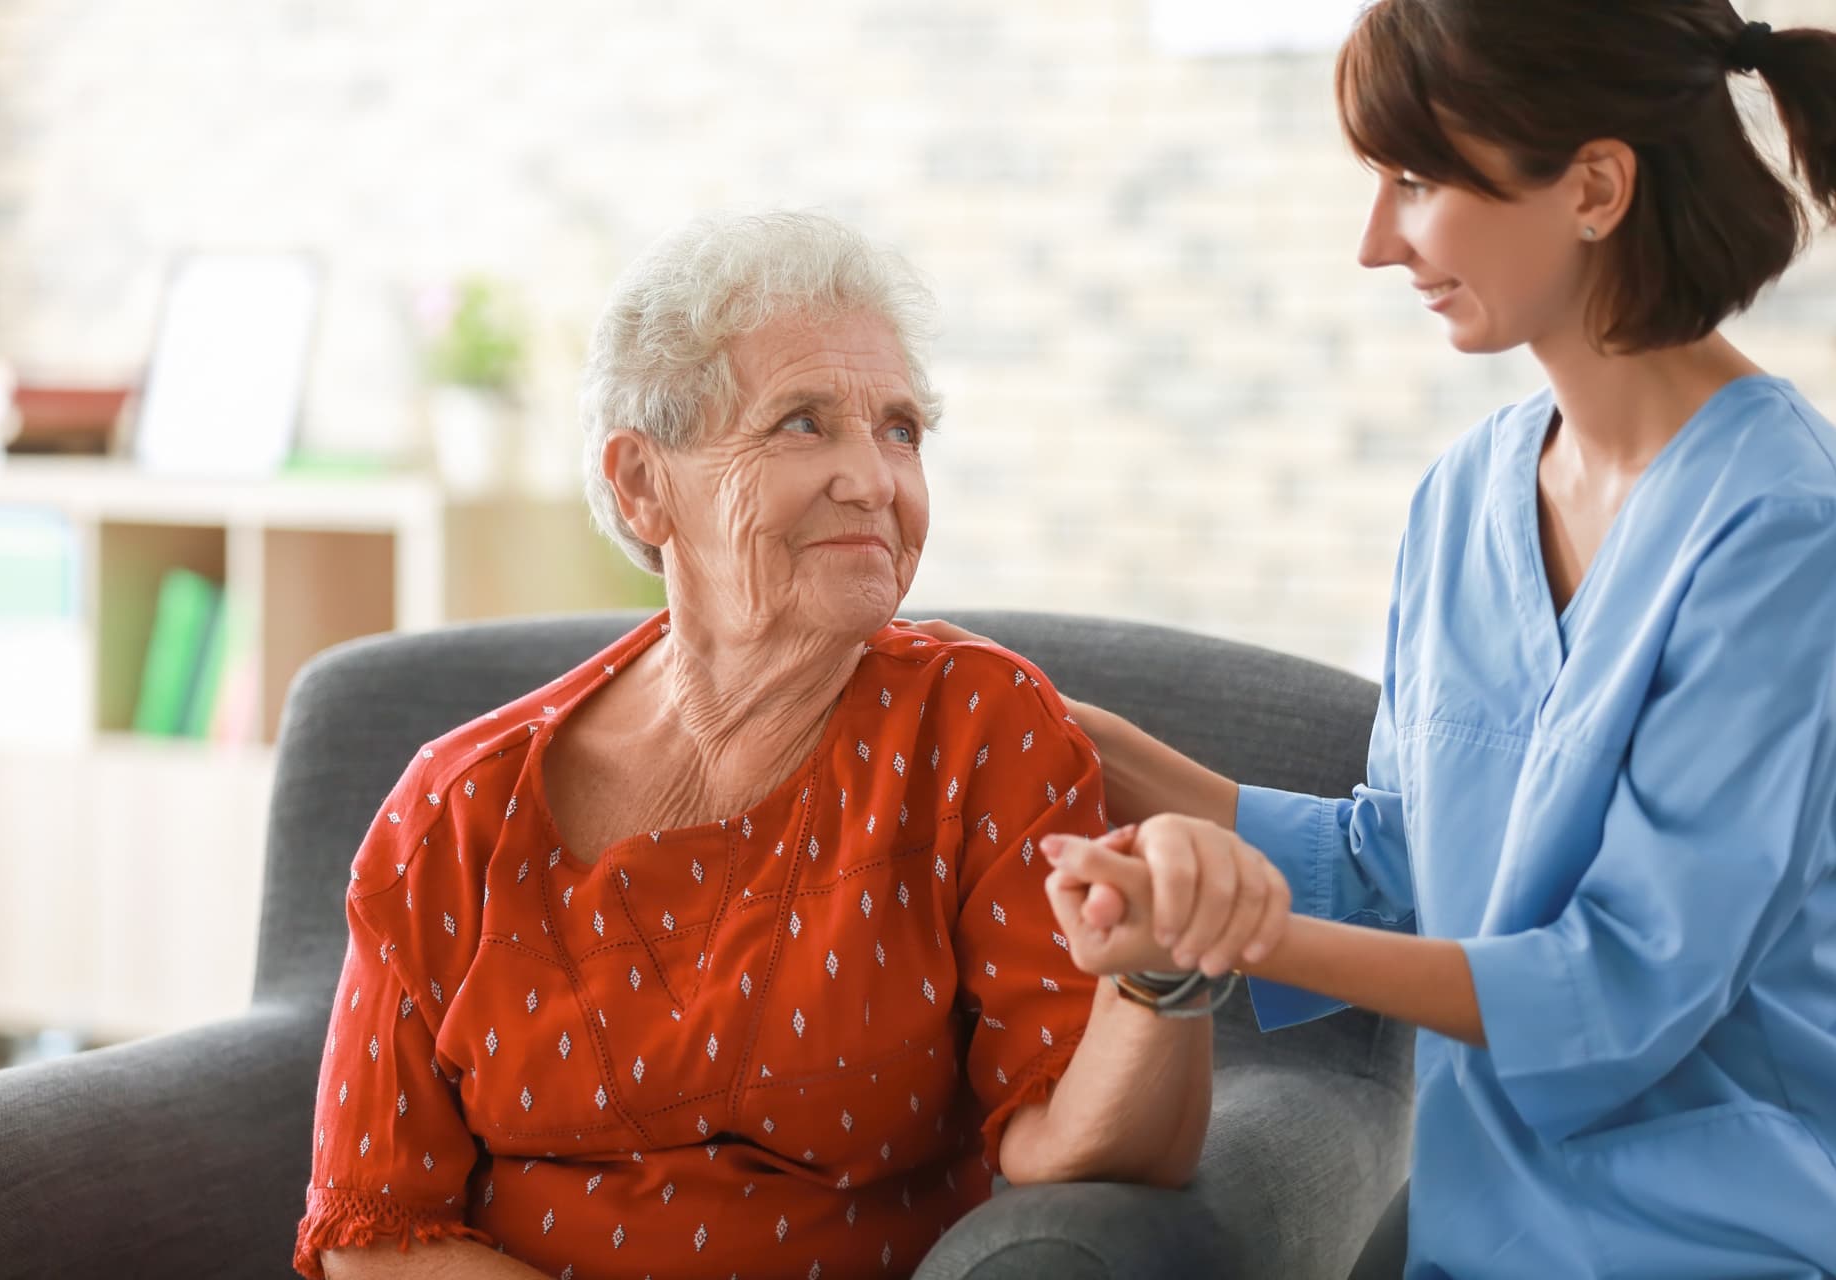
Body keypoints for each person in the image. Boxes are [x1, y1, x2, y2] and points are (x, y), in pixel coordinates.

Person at [930, 3, 1836, 1275]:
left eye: (1413, 180)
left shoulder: (1791, 531)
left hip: (1736, 1230)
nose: (1376, 242)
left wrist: (1221, 933)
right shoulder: (1467, 494)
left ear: (1595, 186)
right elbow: (1407, 858)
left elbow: (1624, 985)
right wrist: (1073, 739)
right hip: (1482, 1224)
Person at [293, 211, 1214, 1280]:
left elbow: (1075, 1145)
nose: (874, 476)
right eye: (802, 423)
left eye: (902, 428)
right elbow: (375, 1230)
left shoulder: (978, 731)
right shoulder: (455, 809)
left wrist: (1160, 980)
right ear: (643, 483)